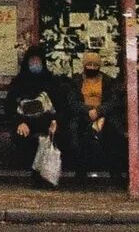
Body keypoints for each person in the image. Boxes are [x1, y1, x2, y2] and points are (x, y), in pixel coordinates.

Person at [7, 50, 62, 183]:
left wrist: (55, 121)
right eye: (32, 62)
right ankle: (35, 174)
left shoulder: (50, 81)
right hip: (25, 121)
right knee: (24, 136)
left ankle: (46, 174)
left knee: (51, 135)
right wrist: (19, 122)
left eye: (38, 62)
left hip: (47, 121)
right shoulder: (19, 82)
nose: (35, 65)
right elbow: (10, 106)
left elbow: (59, 105)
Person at [67, 49, 119, 185]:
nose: (92, 68)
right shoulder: (76, 81)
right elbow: (72, 102)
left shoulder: (107, 81)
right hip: (82, 115)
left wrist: (99, 111)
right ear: (84, 65)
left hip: (103, 115)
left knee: (113, 134)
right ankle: (80, 173)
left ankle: (115, 173)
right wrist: (88, 110)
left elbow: (112, 101)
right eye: (89, 65)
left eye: (95, 66)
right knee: (75, 133)